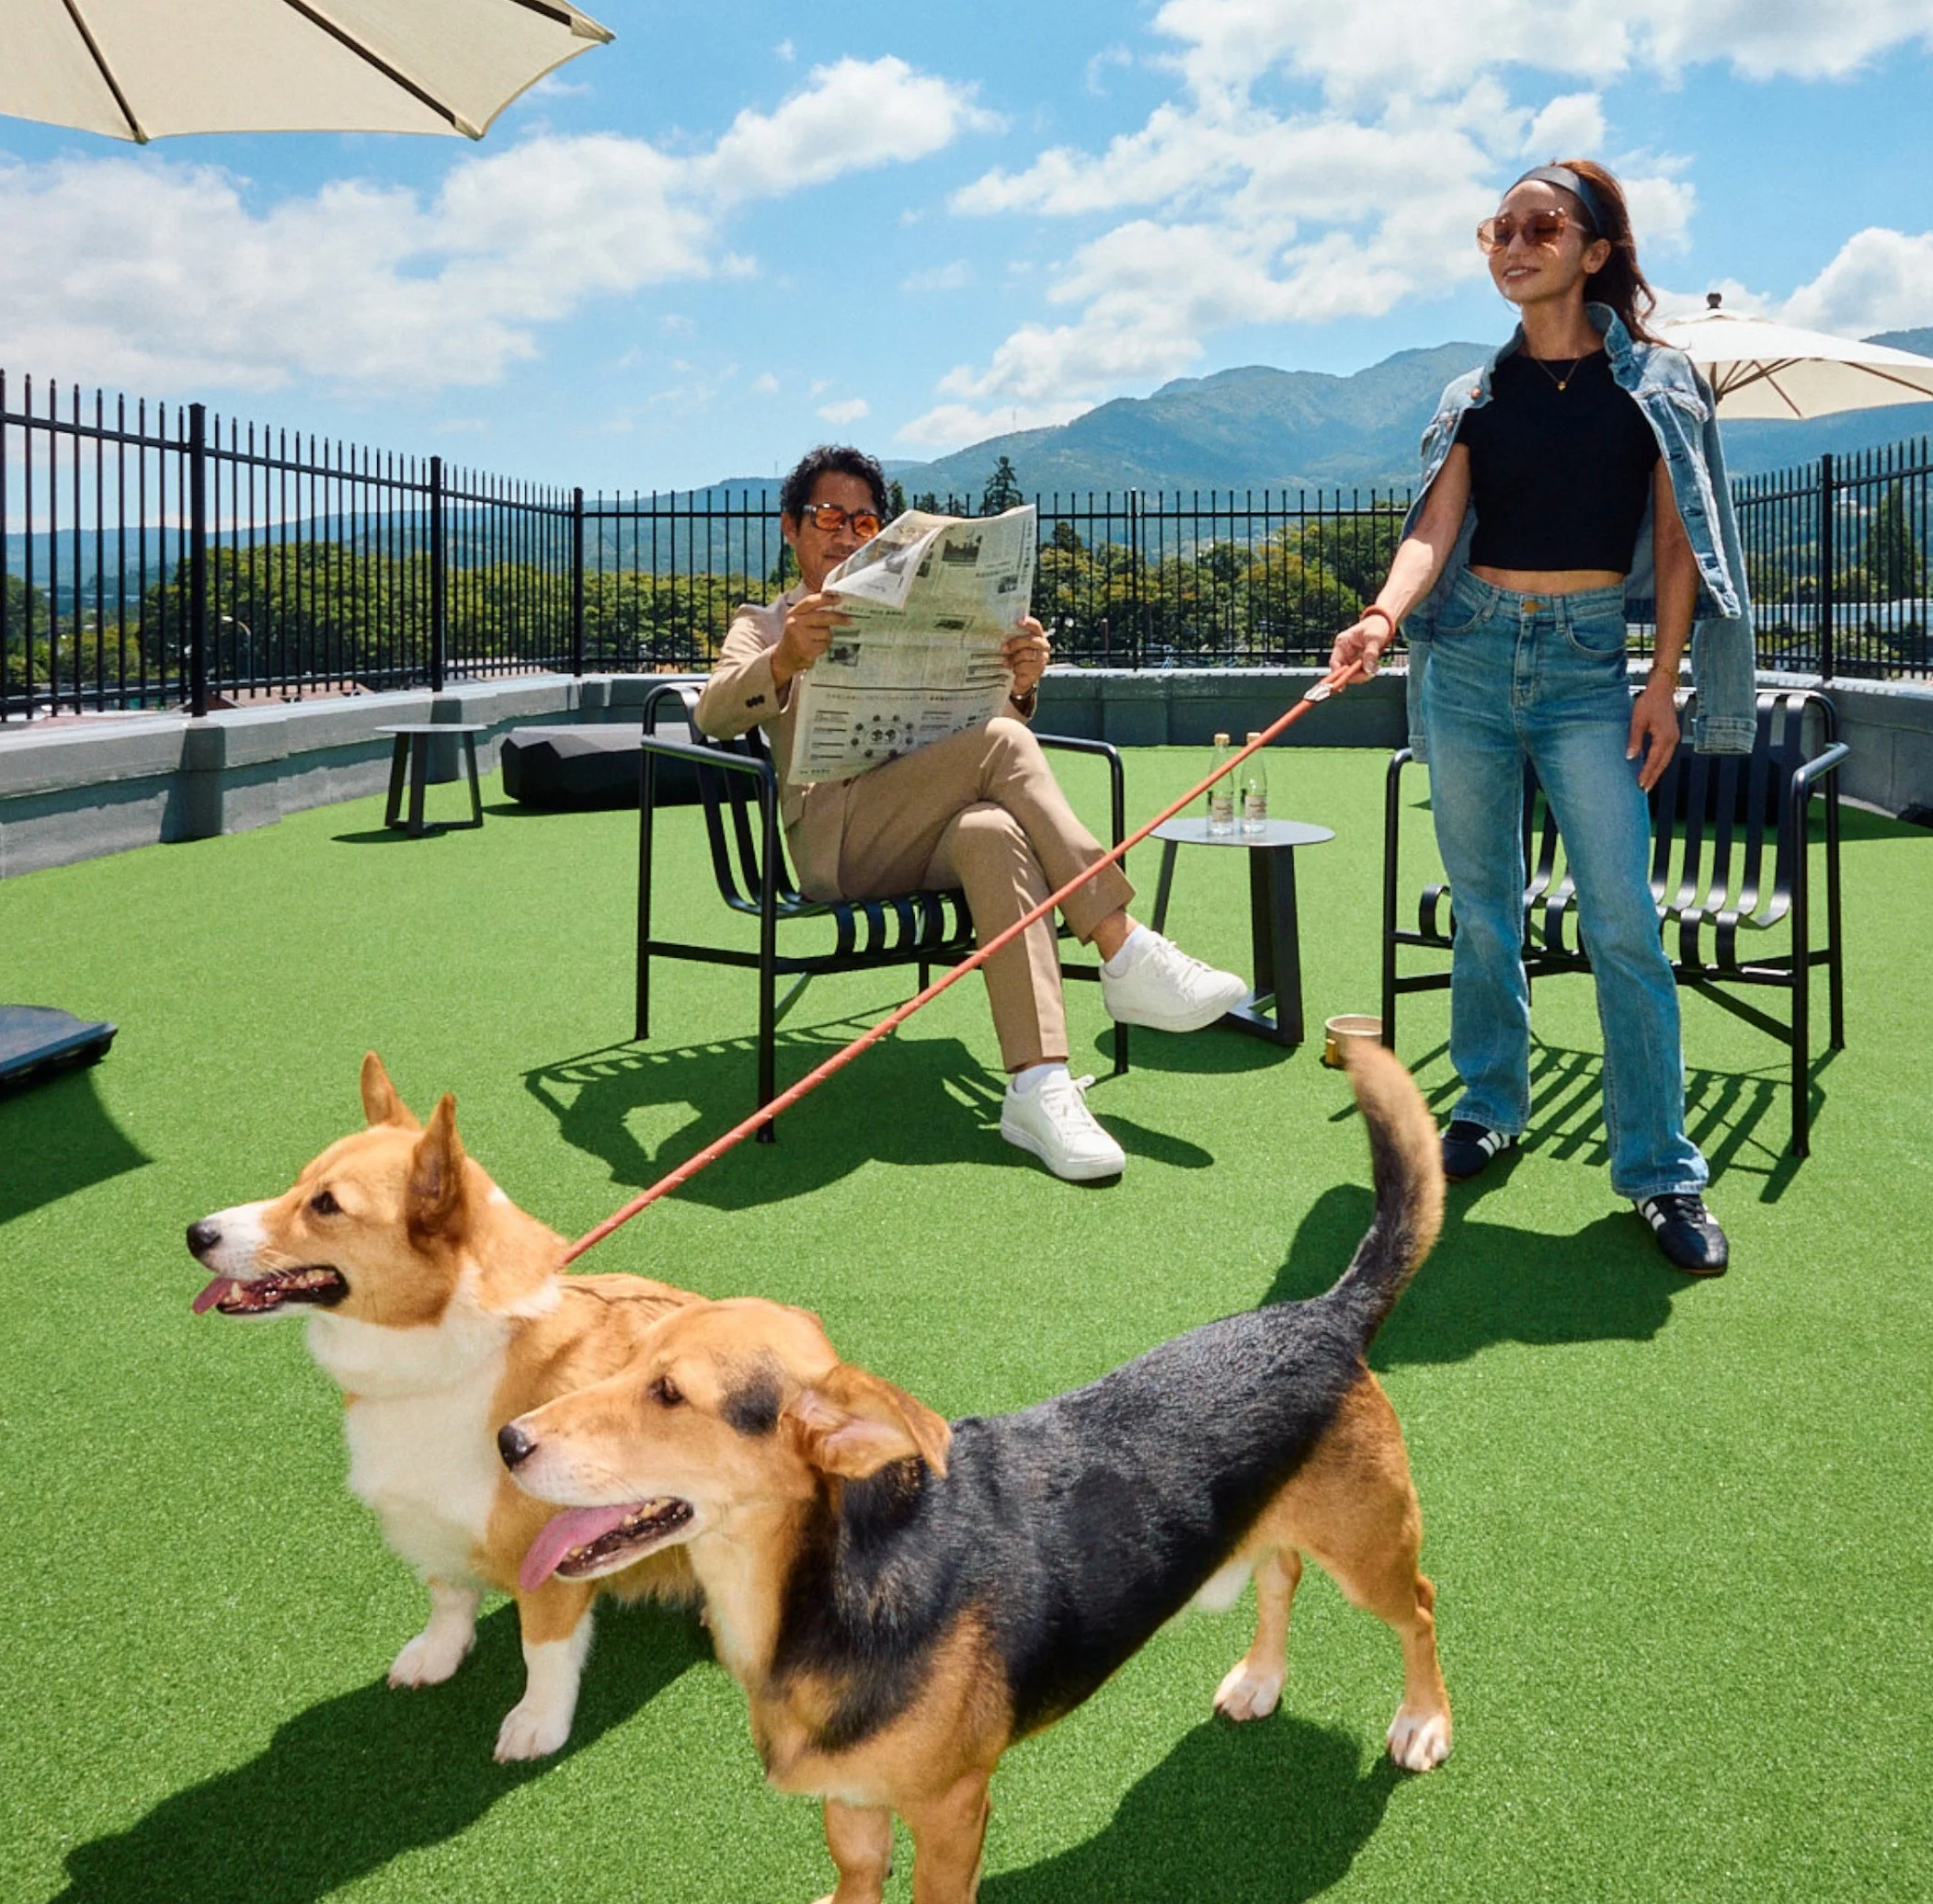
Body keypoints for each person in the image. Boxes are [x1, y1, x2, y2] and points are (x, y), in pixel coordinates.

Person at [1327, 161, 1756, 1275]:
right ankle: (1490, 1102)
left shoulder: (1657, 383)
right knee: (1481, 906)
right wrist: (1380, 616)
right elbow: (1435, 524)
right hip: (1464, 657)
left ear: (1595, 250)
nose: (1511, 244)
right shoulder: (1472, 392)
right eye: (1495, 228)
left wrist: (1661, 682)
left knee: (1620, 917)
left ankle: (1660, 1170)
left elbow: (1675, 543)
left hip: (1581, 672)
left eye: (1537, 226)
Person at [694, 444, 1250, 1183]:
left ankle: (1037, 1084)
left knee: (990, 831)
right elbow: (712, 709)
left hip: (924, 831)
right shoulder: (765, 623)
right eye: (828, 515)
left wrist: (1019, 682)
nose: (846, 533)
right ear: (791, 529)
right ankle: (1122, 947)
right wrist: (786, 660)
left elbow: (976, 731)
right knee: (1002, 744)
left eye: (865, 521)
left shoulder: (913, 612)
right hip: (838, 844)